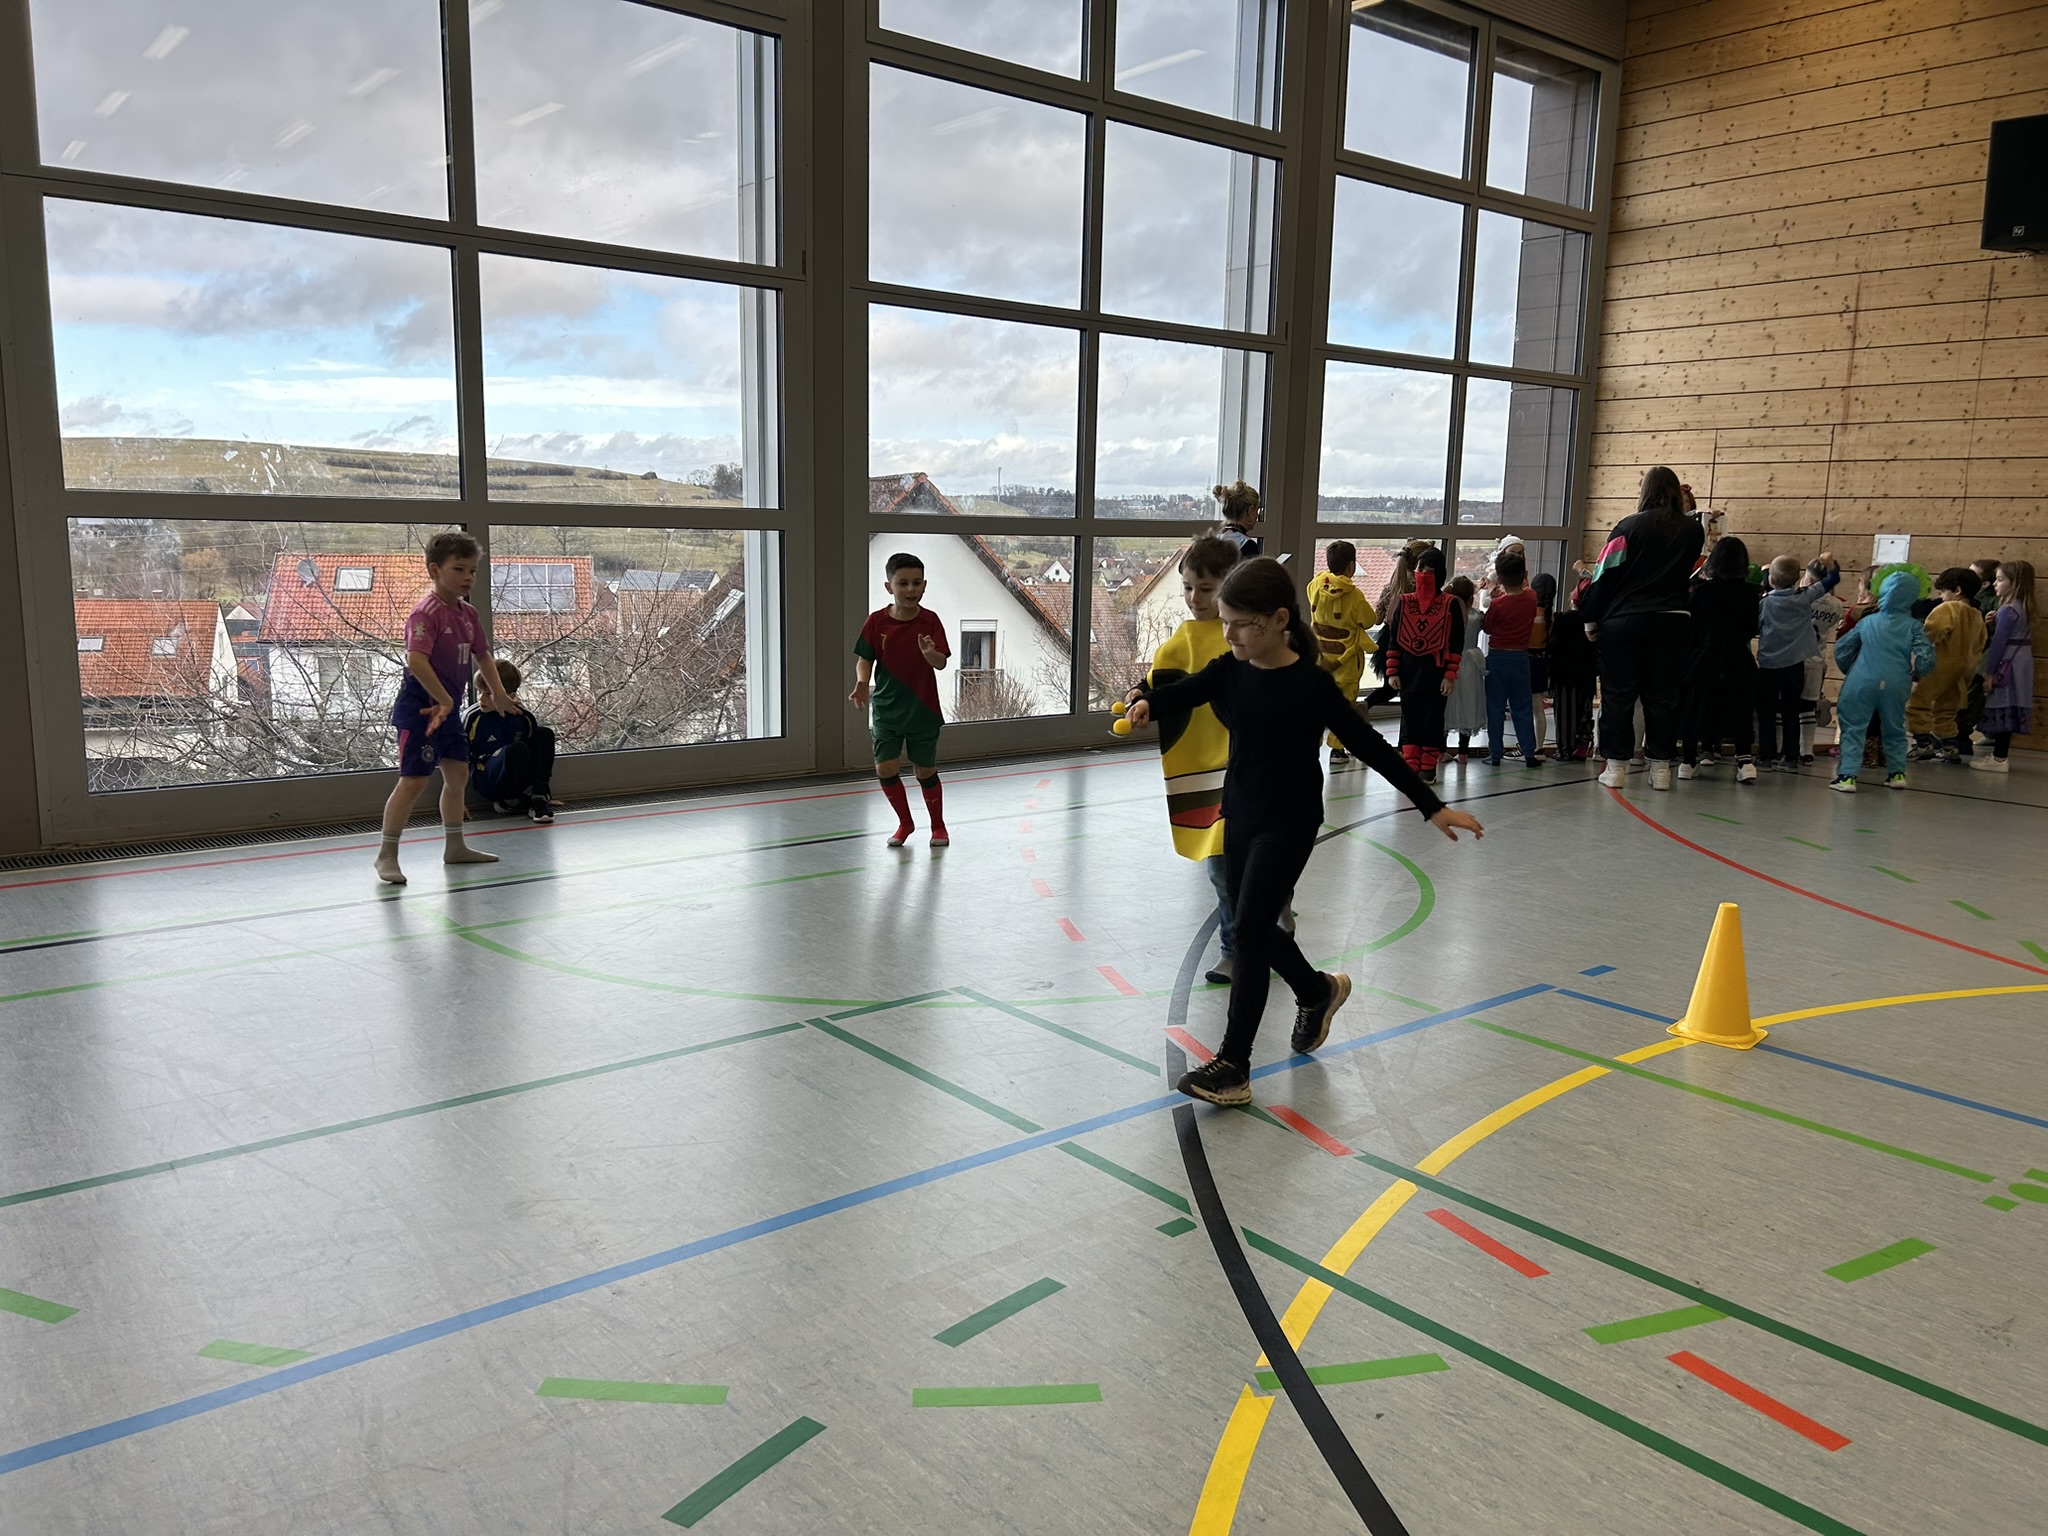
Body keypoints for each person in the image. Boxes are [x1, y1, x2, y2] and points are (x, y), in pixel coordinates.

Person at [1123, 557, 1484, 1105]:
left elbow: (1369, 745)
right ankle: (1316, 990)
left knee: (1248, 930)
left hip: (1289, 822)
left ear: (1277, 620)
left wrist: (1431, 805)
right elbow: (1188, 691)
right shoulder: (1231, 668)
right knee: (1252, 926)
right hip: (1240, 814)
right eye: (1225, 622)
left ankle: (1234, 1066)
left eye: (1239, 624)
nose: (1228, 634)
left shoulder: (1310, 685)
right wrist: (1148, 701)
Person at [1135, 535, 1252, 985]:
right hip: (1202, 773)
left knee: (1247, 865)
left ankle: (1266, 921)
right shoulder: (1179, 642)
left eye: (1206, 589)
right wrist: (1139, 697)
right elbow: (1159, 684)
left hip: (1246, 769)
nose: (1194, 598)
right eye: (1187, 587)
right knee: (1221, 869)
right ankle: (1236, 948)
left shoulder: (1244, 638)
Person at [375, 531, 518, 885]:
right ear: (435, 570)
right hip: (421, 710)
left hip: (447, 709)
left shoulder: (468, 614)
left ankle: (455, 845)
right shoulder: (425, 614)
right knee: (413, 781)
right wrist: (442, 698)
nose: (468, 577)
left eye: (473, 570)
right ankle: (386, 854)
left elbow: (484, 655)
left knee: (458, 775)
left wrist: (499, 693)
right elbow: (416, 660)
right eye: (459, 569)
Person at [1580, 466, 1707, 790]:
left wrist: (1590, 616)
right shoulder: (1693, 531)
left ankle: (1616, 767)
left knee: (1618, 695)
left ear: (1645, 491)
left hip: (1626, 620)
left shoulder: (1628, 527)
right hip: (1674, 620)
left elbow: (1604, 575)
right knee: (1664, 696)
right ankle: (1661, 769)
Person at [851, 552, 951, 847]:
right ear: (889, 587)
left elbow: (941, 663)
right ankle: (905, 823)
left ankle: (938, 826)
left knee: (925, 770)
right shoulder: (876, 622)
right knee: (885, 768)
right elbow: (864, 658)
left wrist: (930, 654)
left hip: (922, 709)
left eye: (916, 583)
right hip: (886, 710)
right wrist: (861, 683)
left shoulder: (930, 621)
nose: (910, 589)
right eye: (903, 583)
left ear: (924, 586)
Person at [1831, 570, 1935, 791]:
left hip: (1862, 679)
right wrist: (1918, 672)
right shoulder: (1914, 626)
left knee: (1853, 726)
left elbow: (1843, 649)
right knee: (1894, 727)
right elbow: (1926, 656)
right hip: (1897, 682)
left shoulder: (1867, 621)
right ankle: (1897, 774)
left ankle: (1847, 776)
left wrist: (1850, 670)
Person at [1678, 536, 1761, 781]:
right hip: (1737, 658)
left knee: (1696, 710)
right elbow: (1751, 629)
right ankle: (1745, 762)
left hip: (1705, 658)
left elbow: (1691, 628)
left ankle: (1688, 762)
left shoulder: (1701, 592)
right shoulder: (1751, 594)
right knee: (1741, 711)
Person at [1380, 548, 1464, 784]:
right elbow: (1394, 640)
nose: (1424, 574)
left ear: (1440, 574)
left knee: (1432, 721)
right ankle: (1410, 764)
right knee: (1409, 720)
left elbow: (1456, 643)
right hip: (1409, 674)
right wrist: (1392, 671)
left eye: (1430, 570)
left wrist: (1450, 675)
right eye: (1420, 568)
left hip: (1436, 675)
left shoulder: (1451, 605)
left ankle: (1428, 766)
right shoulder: (1404, 603)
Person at [1754, 552, 1842, 771]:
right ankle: (1790, 756)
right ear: (1797, 578)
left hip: (1769, 665)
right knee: (1791, 711)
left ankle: (1766, 755)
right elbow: (1833, 579)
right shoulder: (1804, 597)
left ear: (1771, 579)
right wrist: (1830, 562)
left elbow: (1755, 627)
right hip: (1794, 664)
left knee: (1767, 712)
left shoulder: (1765, 603)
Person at [1306, 541, 1378, 761]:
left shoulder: (1316, 585)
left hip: (1320, 655)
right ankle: (1337, 750)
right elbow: (1369, 620)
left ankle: (1310, 744)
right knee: (1344, 705)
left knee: (1317, 701)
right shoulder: (1354, 596)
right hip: (1346, 660)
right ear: (1351, 566)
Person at [1906, 569, 1986, 762]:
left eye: (1942, 592)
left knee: (1918, 704)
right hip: (1964, 670)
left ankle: (1923, 744)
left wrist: (1918, 651)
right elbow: (1981, 642)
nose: (1941, 597)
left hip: (1941, 665)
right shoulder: (1977, 615)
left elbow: (1932, 631)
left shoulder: (1948, 608)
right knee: (1946, 709)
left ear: (1957, 590)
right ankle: (1950, 746)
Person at [465, 659, 558, 823]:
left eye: (488, 694)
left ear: (509, 696)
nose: (481, 698)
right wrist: (458, 798)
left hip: (517, 776)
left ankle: (539, 798)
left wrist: (540, 786)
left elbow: (537, 756)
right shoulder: (472, 717)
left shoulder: (524, 717)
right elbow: (458, 757)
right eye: (479, 691)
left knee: (544, 734)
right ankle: (510, 800)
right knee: (516, 749)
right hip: (487, 777)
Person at [1971, 559, 2037, 774]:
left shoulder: (2008, 610)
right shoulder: (2023, 607)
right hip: (2022, 662)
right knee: (2010, 705)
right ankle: (1999, 755)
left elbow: (1999, 644)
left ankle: (1999, 758)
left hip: (2008, 662)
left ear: (2014, 583)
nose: (1995, 584)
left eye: (2000, 580)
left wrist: (1990, 673)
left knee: (2002, 704)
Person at [1480, 549, 1541, 769]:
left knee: (1495, 708)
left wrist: (1494, 597)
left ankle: (1495, 754)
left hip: (1498, 658)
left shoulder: (1497, 604)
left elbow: (1487, 628)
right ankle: (1529, 753)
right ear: (1524, 574)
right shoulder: (1532, 597)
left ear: (1499, 577)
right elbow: (1524, 590)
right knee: (1522, 707)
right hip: (1521, 658)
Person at [1798, 557, 1845, 764]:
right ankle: (1806, 750)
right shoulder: (1836, 605)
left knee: (1786, 707)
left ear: (1809, 580)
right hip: (1817, 659)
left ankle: (1783, 748)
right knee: (1808, 706)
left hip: (1795, 658)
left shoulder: (1801, 598)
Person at [1443, 575, 1486, 763]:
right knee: (1468, 704)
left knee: (1447, 705)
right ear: (1470, 598)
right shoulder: (1476, 617)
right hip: (1470, 664)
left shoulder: (1447, 615)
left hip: (1449, 662)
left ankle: (1440, 750)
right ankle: (1463, 753)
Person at [1213, 480, 1264, 559]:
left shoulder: (1215, 541)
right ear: (1250, 511)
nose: (1258, 514)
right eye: (1257, 510)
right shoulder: (1248, 546)